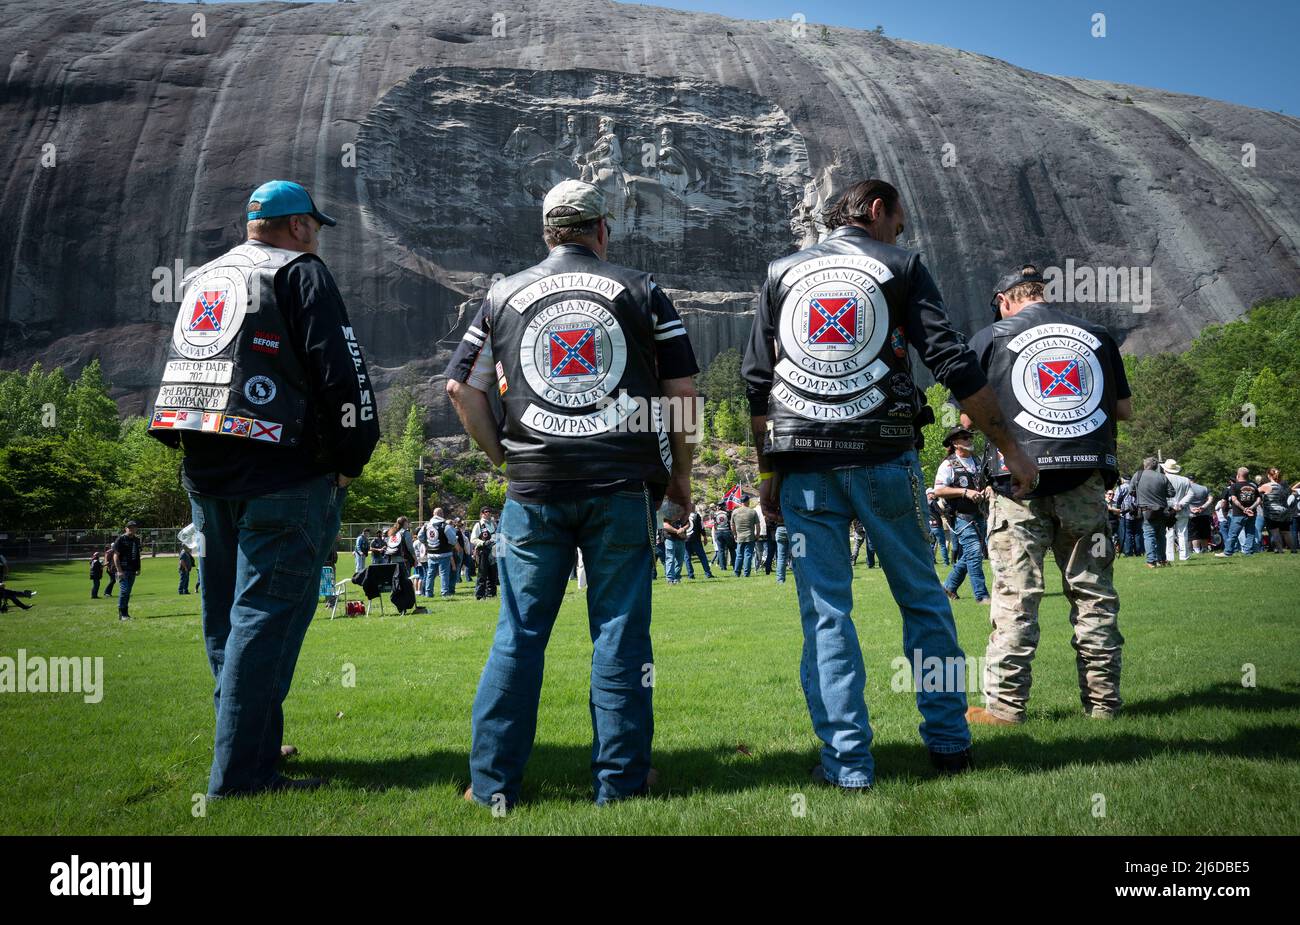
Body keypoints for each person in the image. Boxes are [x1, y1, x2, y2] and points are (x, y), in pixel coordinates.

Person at [741, 178, 1038, 788]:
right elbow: (951, 360)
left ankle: (847, 765)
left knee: (826, 616)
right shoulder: (902, 266)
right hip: (884, 456)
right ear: (877, 211)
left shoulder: (781, 273)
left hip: (803, 467)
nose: (900, 233)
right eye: (898, 222)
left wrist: (768, 473)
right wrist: (1010, 446)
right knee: (924, 601)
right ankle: (950, 745)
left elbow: (756, 383)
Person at [444, 179, 699, 808]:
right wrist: (681, 479)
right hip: (620, 487)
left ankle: (492, 784)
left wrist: (504, 456)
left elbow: (461, 391)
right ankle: (621, 780)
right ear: (601, 230)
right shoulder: (643, 290)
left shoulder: (501, 294)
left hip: (534, 491)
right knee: (619, 635)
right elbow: (684, 395)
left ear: (547, 233)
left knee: (518, 635)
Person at [146, 179, 379, 797]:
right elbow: (341, 366)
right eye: (317, 227)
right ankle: (242, 776)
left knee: (225, 619)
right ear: (300, 225)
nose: (319, 238)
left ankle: (253, 745)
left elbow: (184, 366)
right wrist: (353, 454)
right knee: (265, 619)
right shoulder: (301, 272)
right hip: (285, 473)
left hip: (206, 470)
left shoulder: (204, 276)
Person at [959, 264, 1130, 725]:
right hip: (1086, 485)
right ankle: (1104, 705)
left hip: (1018, 489)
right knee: (1094, 595)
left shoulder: (990, 338)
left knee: (1017, 597)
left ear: (1003, 300)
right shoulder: (1097, 335)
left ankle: (1005, 709)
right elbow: (1124, 410)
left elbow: (971, 419)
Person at [935, 427, 990, 602]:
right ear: (955, 442)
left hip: (980, 514)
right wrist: (965, 492)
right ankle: (981, 596)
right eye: (965, 438)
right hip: (960, 517)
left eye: (970, 437)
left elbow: (988, 481)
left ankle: (949, 586)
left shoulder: (978, 461)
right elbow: (939, 490)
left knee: (970, 555)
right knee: (974, 552)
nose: (969, 440)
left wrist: (988, 489)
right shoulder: (948, 464)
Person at [1216, 467, 1260, 558]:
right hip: (1252, 513)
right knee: (1250, 532)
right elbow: (1259, 500)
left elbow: (1234, 499)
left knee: (1233, 534)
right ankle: (1248, 551)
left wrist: (1243, 509)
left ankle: (1228, 552)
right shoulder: (1253, 486)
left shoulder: (1234, 486)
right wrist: (1250, 508)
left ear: (1238, 475)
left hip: (1238, 514)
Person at [110, 520, 143, 621]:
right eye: (130, 527)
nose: (132, 529)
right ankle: (122, 614)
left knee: (128, 592)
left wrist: (138, 568)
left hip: (132, 570)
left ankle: (125, 614)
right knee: (124, 591)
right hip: (123, 570)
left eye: (134, 527)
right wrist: (119, 571)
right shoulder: (120, 539)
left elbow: (137, 555)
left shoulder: (137, 540)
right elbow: (115, 556)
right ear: (126, 529)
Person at [1161, 459, 1192, 563]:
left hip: (1167, 510)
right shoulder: (1185, 480)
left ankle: (1169, 556)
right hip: (1181, 510)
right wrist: (1181, 504)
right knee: (1182, 533)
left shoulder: (1162, 479)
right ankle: (1184, 556)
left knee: (1168, 533)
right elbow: (1191, 494)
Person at [423, 508, 459, 597]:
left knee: (430, 574)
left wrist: (428, 542)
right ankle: (444, 593)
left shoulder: (427, 525)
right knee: (444, 574)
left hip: (431, 553)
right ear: (442, 514)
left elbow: (420, 536)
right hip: (444, 553)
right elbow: (453, 540)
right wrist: (450, 543)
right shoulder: (445, 526)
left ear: (433, 514)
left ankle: (428, 593)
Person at [471, 508, 498, 599]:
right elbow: (473, 539)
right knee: (482, 574)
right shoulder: (478, 525)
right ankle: (479, 595)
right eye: (486, 512)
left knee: (493, 573)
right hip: (483, 551)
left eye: (489, 512)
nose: (488, 513)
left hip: (493, 551)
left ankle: (491, 594)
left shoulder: (493, 524)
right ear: (482, 514)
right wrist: (483, 543)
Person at [682, 504, 714, 579]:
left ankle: (690, 574)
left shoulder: (683, 515)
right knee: (702, 556)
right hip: (696, 539)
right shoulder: (696, 516)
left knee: (687, 558)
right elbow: (701, 527)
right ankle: (708, 573)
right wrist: (705, 536)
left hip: (686, 539)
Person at [730, 498, 759, 576]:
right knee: (748, 555)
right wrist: (757, 535)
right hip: (750, 536)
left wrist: (735, 534)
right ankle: (746, 573)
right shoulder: (752, 511)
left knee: (739, 555)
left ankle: (737, 572)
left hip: (740, 536)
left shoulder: (735, 512)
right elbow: (757, 525)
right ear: (747, 502)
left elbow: (732, 525)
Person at [1186, 480, 1214, 554]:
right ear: (1195, 479)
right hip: (1204, 513)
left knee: (1194, 533)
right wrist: (1202, 507)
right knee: (1204, 532)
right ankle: (1205, 548)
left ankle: (1196, 549)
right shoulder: (1204, 488)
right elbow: (1210, 499)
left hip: (1191, 514)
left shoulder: (1186, 487)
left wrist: (1191, 508)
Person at [925, 490, 950, 566]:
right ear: (928, 494)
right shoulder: (933, 502)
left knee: (932, 545)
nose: (934, 494)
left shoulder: (924, 503)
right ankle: (946, 562)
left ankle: (932, 560)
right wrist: (947, 510)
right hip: (937, 526)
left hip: (930, 525)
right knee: (942, 544)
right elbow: (940, 512)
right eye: (932, 493)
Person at [662, 512, 687, 584]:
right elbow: (665, 525)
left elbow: (688, 523)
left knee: (680, 560)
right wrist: (677, 531)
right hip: (670, 539)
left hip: (681, 539)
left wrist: (683, 529)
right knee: (670, 559)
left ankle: (676, 577)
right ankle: (670, 579)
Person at [712, 504, 734, 569]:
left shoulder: (715, 514)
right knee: (731, 549)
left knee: (721, 550)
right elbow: (731, 523)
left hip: (718, 532)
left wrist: (716, 532)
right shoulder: (727, 513)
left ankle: (723, 566)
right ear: (723, 506)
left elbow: (715, 524)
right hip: (727, 532)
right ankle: (734, 564)